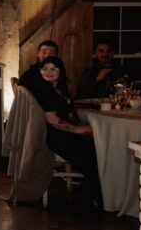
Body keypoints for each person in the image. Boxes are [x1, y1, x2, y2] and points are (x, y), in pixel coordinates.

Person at [28, 56, 102, 209]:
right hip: (49, 135)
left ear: (60, 71)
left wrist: (82, 126)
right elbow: (53, 120)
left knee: (95, 144)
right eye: (45, 69)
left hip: (58, 132)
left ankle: (97, 193)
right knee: (91, 149)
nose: (49, 72)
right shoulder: (42, 89)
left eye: (53, 69)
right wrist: (78, 130)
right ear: (40, 71)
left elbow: (67, 114)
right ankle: (99, 196)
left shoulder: (59, 88)